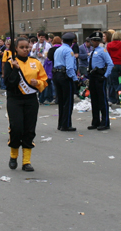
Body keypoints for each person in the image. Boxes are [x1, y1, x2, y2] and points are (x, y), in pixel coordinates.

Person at [4, 37, 48, 172]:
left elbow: (44, 80)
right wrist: (16, 70)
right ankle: (13, 156)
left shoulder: (35, 62)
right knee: (16, 128)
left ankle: (26, 162)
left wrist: (38, 83)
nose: (25, 50)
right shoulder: (10, 63)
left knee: (29, 129)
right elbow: (9, 83)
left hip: (31, 100)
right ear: (16, 48)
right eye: (22, 47)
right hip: (15, 99)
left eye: (27, 47)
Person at [87, 31, 113, 130]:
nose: (95, 42)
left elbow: (110, 64)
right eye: (94, 40)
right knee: (94, 100)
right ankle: (95, 121)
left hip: (99, 76)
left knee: (102, 100)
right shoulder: (92, 51)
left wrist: (105, 76)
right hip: (93, 76)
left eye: (97, 40)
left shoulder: (103, 51)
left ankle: (105, 122)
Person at [53, 32, 78, 131]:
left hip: (57, 75)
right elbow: (69, 67)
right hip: (65, 76)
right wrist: (75, 79)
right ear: (71, 42)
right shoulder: (69, 51)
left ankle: (60, 123)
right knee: (68, 101)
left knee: (61, 101)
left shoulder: (58, 50)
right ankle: (66, 124)